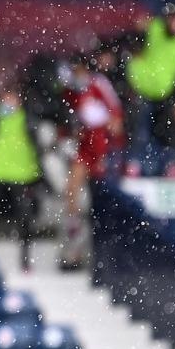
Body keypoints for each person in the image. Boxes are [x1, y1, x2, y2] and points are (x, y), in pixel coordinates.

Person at [0, 81, 45, 271]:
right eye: (6, 97)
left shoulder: (28, 117)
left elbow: (38, 140)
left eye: (13, 97)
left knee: (25, 216)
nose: (9, 101)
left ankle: (25, 258)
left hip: (23, 171)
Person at [59, 54, 124, 270]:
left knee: (103, 198)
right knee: (72, 190)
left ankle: (105, 250)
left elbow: (116, 117)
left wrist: (110, 146)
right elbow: (68, 120)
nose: (78, 75)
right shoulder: (70, 92)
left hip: (103, 145)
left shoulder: (99, 84)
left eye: (80, 70)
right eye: (74, 71)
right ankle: (74, 242)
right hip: (86, 145)